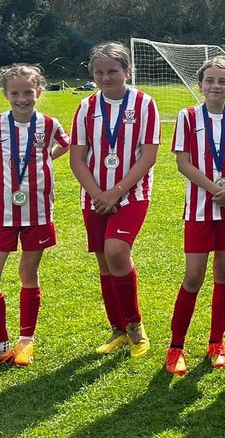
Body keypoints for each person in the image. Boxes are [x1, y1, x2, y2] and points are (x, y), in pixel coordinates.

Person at [0, 64, 69, 369]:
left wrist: (46, 158)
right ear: (6, 94)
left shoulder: (49, 125)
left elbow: (66, 143)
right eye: (16, 93)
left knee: (28, 273)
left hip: (37, 211)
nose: (22, 98)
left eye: (28, 92)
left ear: (39, 92)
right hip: (1, 212)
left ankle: (25, 342)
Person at [165, 57, 225, 376]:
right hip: (200, 209)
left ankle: (216, 342)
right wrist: (217, 191)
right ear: (200, 85)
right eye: (210, 80)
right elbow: (183, 163)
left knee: (223, 275)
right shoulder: (188, 117)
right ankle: (176, 346)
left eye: (223, 81)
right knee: (193, 277)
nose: (216, 86)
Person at [69, 42, 160, 358]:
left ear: (127, 71)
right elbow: (77, 158)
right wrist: (98, 194)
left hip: (131, 193)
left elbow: (148, 156)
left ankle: (135, 326)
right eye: (99, 72)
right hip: (94, 196)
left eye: (112, 71)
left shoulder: (145, 104)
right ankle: (118, 329)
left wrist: (115, 192)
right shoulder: (85, 107)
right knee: (104, 261)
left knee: (117, 251)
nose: (105, 78)